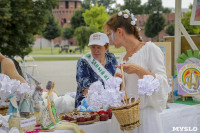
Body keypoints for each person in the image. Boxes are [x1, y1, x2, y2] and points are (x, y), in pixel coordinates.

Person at [103, 10, 169, 133]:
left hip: (145, 118)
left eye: (109, 33)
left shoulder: (150, 49)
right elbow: (127, 89)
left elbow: (163, 82)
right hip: (125, 119)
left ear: (119, 32)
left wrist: (138, 70)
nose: (109, 39)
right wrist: (119, 83)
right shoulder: (122, 57)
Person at [75, 32, 118, 108]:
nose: (95, 51)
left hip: (109, 102)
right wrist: (102, 104)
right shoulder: (83, 62)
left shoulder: (111, 58)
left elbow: (116, 79)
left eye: (99, 47)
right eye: (93, 47)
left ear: (106, 47)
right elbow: (85, 89)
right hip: (87, 105)